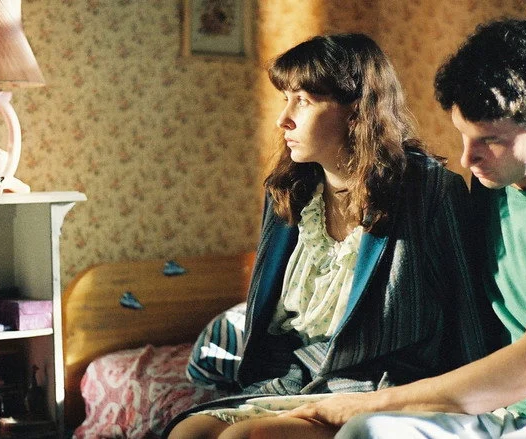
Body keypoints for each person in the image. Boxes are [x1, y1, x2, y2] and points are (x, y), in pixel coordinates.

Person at [272, 18, 526, 438]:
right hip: (511, 404)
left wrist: (367, 401)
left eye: (490, 140)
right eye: (463, 135)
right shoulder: (492, 184)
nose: (467, 159)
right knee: (368, 432)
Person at [165, 33, 502, 439]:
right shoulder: (288, 193)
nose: (283, 118)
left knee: (247, 438)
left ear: (355, 110)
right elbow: (270, 329)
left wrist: (478, 407)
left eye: (303, 101)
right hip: (294, 380)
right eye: (285, 98)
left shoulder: (429, 191)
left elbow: (467, 311)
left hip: (379, 386)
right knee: (188, 432)